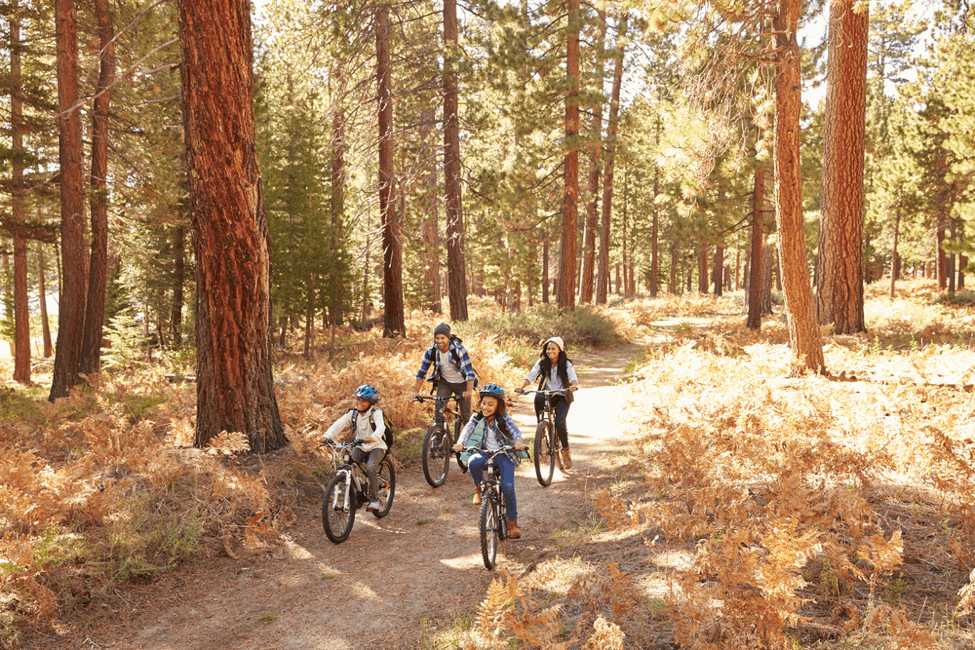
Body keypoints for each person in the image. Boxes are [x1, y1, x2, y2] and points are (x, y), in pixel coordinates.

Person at [452, 384, 527, 539]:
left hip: (504, 453)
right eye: (483, 403)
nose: (486, 407)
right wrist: (461, 442)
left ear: (498, 406)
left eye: (490, 404)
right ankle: (478, 488)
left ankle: (512, 521)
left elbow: (514, 430)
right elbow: (467, 429)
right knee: (473, 461)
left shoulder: (503, 418)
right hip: (485, 452)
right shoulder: (477, 417)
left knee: (507, 487)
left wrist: (518, 442)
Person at [321, 385, 388, 514]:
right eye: (359, 400)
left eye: (363, 401)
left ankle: (374, 500)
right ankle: (359, 487)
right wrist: (326, 436)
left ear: (371, 403)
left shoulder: (376, 412)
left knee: (370, 468)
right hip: (360, 446)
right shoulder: (353, 413)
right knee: (348, 464)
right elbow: (339, 424)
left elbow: (381, 427)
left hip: (376, 446)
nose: (360, 403)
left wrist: (373, 437)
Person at [517, 336, 579, 469]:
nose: (550, 351)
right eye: (548, 349)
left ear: (559, 350)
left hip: (562, 395)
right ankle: (542, 427)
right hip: (546, 394)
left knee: (560, 422)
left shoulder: (566, 363)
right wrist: (521, 387)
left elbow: (573, 376)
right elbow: (531, 375)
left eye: (553, 349)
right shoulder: (542, 362)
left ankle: (565, 451)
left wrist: (573, 385)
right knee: (537, 398)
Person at [411, 322, 477, 426]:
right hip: (445, 382)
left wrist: (468, 391)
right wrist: (415, 391)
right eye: (437, 338)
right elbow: (422, 372)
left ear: (448, 338)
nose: (439, 341)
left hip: (462, 383)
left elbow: (469, 372)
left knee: (466, 416)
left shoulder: (458, 349)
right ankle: (439, 436)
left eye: (443, 338)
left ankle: (469, 441)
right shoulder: (431, 351)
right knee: (438, 410)